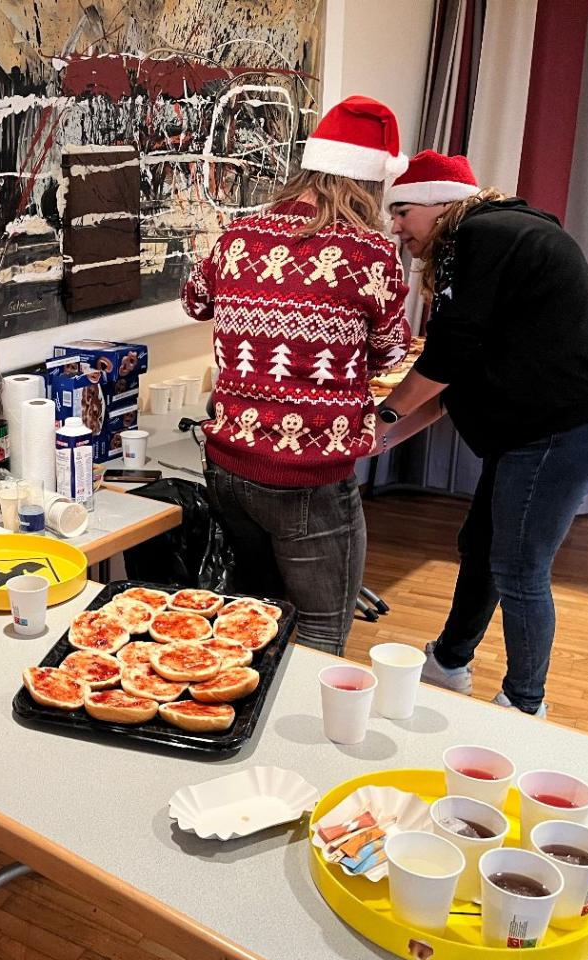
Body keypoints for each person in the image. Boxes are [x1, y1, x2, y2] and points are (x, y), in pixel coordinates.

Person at [379, 151, 588, 716]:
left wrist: (383, 415)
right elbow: (459, 377)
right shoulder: (499, 235)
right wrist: (383, 436)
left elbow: (446, 358)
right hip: (555, 426)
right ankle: (448, 661)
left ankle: (524, 706)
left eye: (402, 212)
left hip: (564, 428)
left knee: (520, 568)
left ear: (438, 204)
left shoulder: (480, 237)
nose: (396, 228)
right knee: (482, 546)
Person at [182, 95, 412, 654]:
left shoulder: (239, 235)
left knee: (249, 624)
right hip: (309, 473)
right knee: (320, 633)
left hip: (229, 464)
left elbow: (195, 301)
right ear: (368, 182)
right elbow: (389, 352)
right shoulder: (370, 253)